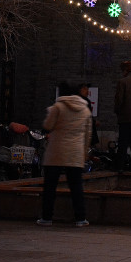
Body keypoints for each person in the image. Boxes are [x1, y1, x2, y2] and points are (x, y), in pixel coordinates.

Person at [37, 82, 93, 227]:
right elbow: (88, 135)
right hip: (75, 153)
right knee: (76, 187)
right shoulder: (85, 111)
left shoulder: (58, 107)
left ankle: (47, 217)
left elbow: (48, 126)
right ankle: (80, 218)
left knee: (50, 186)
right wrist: (85, 153)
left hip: (56, 151)